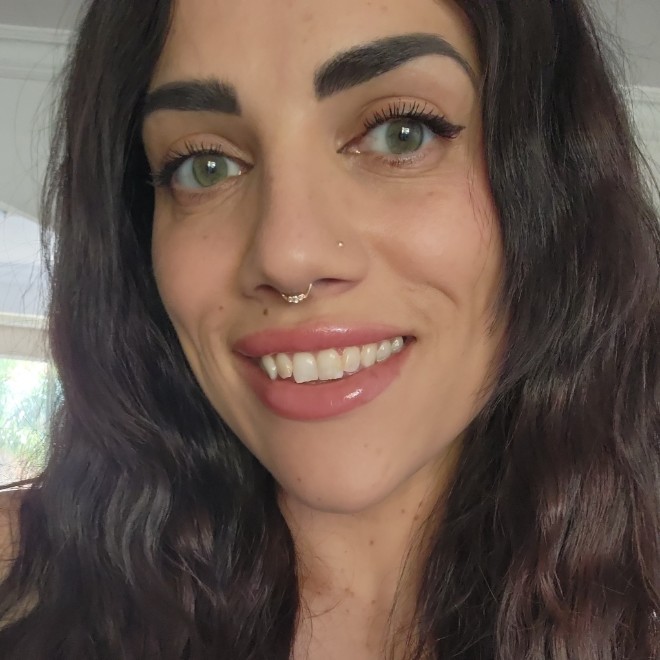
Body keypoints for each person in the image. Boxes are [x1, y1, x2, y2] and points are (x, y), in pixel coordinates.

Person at [0, 0, 658, 657]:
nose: (288, 256)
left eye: (402, 133)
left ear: (556, 188)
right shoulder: (21, 588)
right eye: (205, 165)